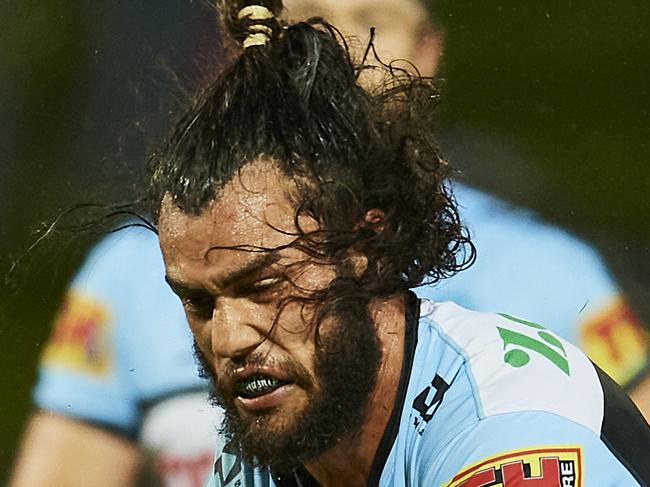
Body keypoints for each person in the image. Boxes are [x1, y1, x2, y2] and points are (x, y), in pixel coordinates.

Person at [8, 1, 650, 487]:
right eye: (198, 304)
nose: (228, 338)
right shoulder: (277, 427)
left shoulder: (511, 434)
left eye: (264, 286)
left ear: (366, 245)